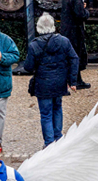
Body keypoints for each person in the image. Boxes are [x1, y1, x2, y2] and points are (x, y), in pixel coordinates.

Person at [24, 13, 79, 147]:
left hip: (43, 83)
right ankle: (58, 137)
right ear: (53, 26)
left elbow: (28, 67)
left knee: (46, 114)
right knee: (57, 108)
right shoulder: (64, 41)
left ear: (38, 27)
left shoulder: (34, 45)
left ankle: (49, 143)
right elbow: (74, 59)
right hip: (60, 82)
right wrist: (72, 81)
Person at [60, 0, 91, 89]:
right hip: (75, 31)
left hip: (66, 30)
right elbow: (81, 15)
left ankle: (74, 79)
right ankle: (75, 81)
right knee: (76, 55)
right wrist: (86, 11)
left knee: (71, 55)